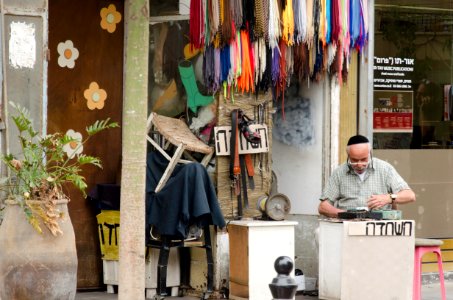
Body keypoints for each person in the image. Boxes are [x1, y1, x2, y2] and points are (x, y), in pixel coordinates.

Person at [318, 134, 416, 218]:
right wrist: (346, 215)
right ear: (348, 156)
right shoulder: (339, 173)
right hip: (348, 226)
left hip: (378, 227)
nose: (359, 164)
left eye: (364, 159)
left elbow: (410, 195)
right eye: (354, 160)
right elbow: (323, 207)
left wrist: (388, 198)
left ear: (370, 153)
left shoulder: (385, 169)